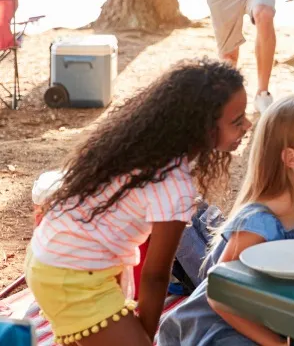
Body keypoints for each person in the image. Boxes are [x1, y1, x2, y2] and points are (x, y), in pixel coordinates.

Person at [25, 60, 250, 346]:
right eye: (237, 120)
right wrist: (143, 338)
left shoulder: (139, 147)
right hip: (70, 274)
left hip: (52, 256)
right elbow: (156, 276)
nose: (247, 125)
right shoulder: (174, 186)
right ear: (203, 127)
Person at [157, 95, 294, 346]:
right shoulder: (260, 224)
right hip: (223, 323)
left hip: (274, 314)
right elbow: (219, 295)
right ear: (291, 158)